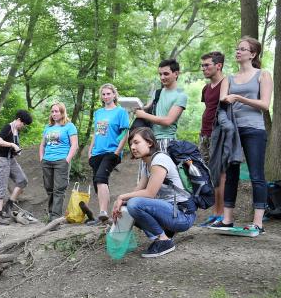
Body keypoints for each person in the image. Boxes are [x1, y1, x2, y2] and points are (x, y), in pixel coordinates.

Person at [210, 36, 272, 234]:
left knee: (256, 175)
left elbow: (264, 105)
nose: (237, 52)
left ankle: (258, 223)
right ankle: (227, 219)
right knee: (231, 175)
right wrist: (227, 126)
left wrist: (238, 97)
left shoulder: (263, 75)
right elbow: (222, 105)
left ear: (252, 54)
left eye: (242, 49)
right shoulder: (228, 78)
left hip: (254, 130)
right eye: (237, 49)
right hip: (232, 132)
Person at [112, 127, 197, 258]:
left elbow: (149, 193)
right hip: (171, 212)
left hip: (183, 215)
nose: (133, 147)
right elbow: (139, 190)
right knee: (127, 206)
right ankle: (163, 235)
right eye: (130, 144)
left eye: (136, 142)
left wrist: (121, 196)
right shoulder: (147, 164)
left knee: (134, 204)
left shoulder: (159, 160)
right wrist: (121, 203)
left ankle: (163, 240)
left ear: (149, 142)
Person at [87, 84, 129, 222]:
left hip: (111, 151)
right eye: (103, 94)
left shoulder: (120, 112)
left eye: (108, 94)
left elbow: (125, 134)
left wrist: (117, 152)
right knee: (97, 182)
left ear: (114, 95)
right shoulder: (98, 113)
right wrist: (90, 150)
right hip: (96, 152)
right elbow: (96, 133)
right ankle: (104, 216)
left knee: (100, 178)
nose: (106, 97)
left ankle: (103, 212)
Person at [133, 59, 188, 152]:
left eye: (166, 74)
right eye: (160, 74)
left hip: (166, 140)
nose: (162, 77)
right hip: (149, 139)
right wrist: (137, 106)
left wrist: (143, 115)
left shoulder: (181, 95)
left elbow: (168, 121)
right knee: (145, 167)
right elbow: (148, 108)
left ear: (176, 74)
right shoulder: (157, 92)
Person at [198, 51, 226, 226]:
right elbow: (207, 109)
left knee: (220, 174)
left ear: (218, 65)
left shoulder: (227, 84)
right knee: (209, 174)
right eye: (202, 65)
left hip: (220, 134)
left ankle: (221, 213)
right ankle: (215, 212)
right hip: (204, 134)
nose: (203, 68)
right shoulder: (206, 88)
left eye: (207, 65)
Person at [0, 110, 33, 224]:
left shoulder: (16, 131)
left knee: (22, 180)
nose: (23, 126)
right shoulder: (8, 127)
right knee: (1, 186)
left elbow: (15, 147)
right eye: (23, 124)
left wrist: (16, 149)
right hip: (0, 159)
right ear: (19, 120)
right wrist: (12, 145)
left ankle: (9, 205)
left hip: (10, 159)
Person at [39, 102, 78, 221]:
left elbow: (74, 145)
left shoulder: (69, 126)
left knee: (59, 189)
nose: (54, 114)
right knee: (49, 188)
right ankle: (51, 214)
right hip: (47, 161)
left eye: (57, 111)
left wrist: (67, 160)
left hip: (61, 161)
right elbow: (42, 145)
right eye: (52, 111)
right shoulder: (48, 127)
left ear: (62, 112)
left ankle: (55, 218)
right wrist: (42, 158)